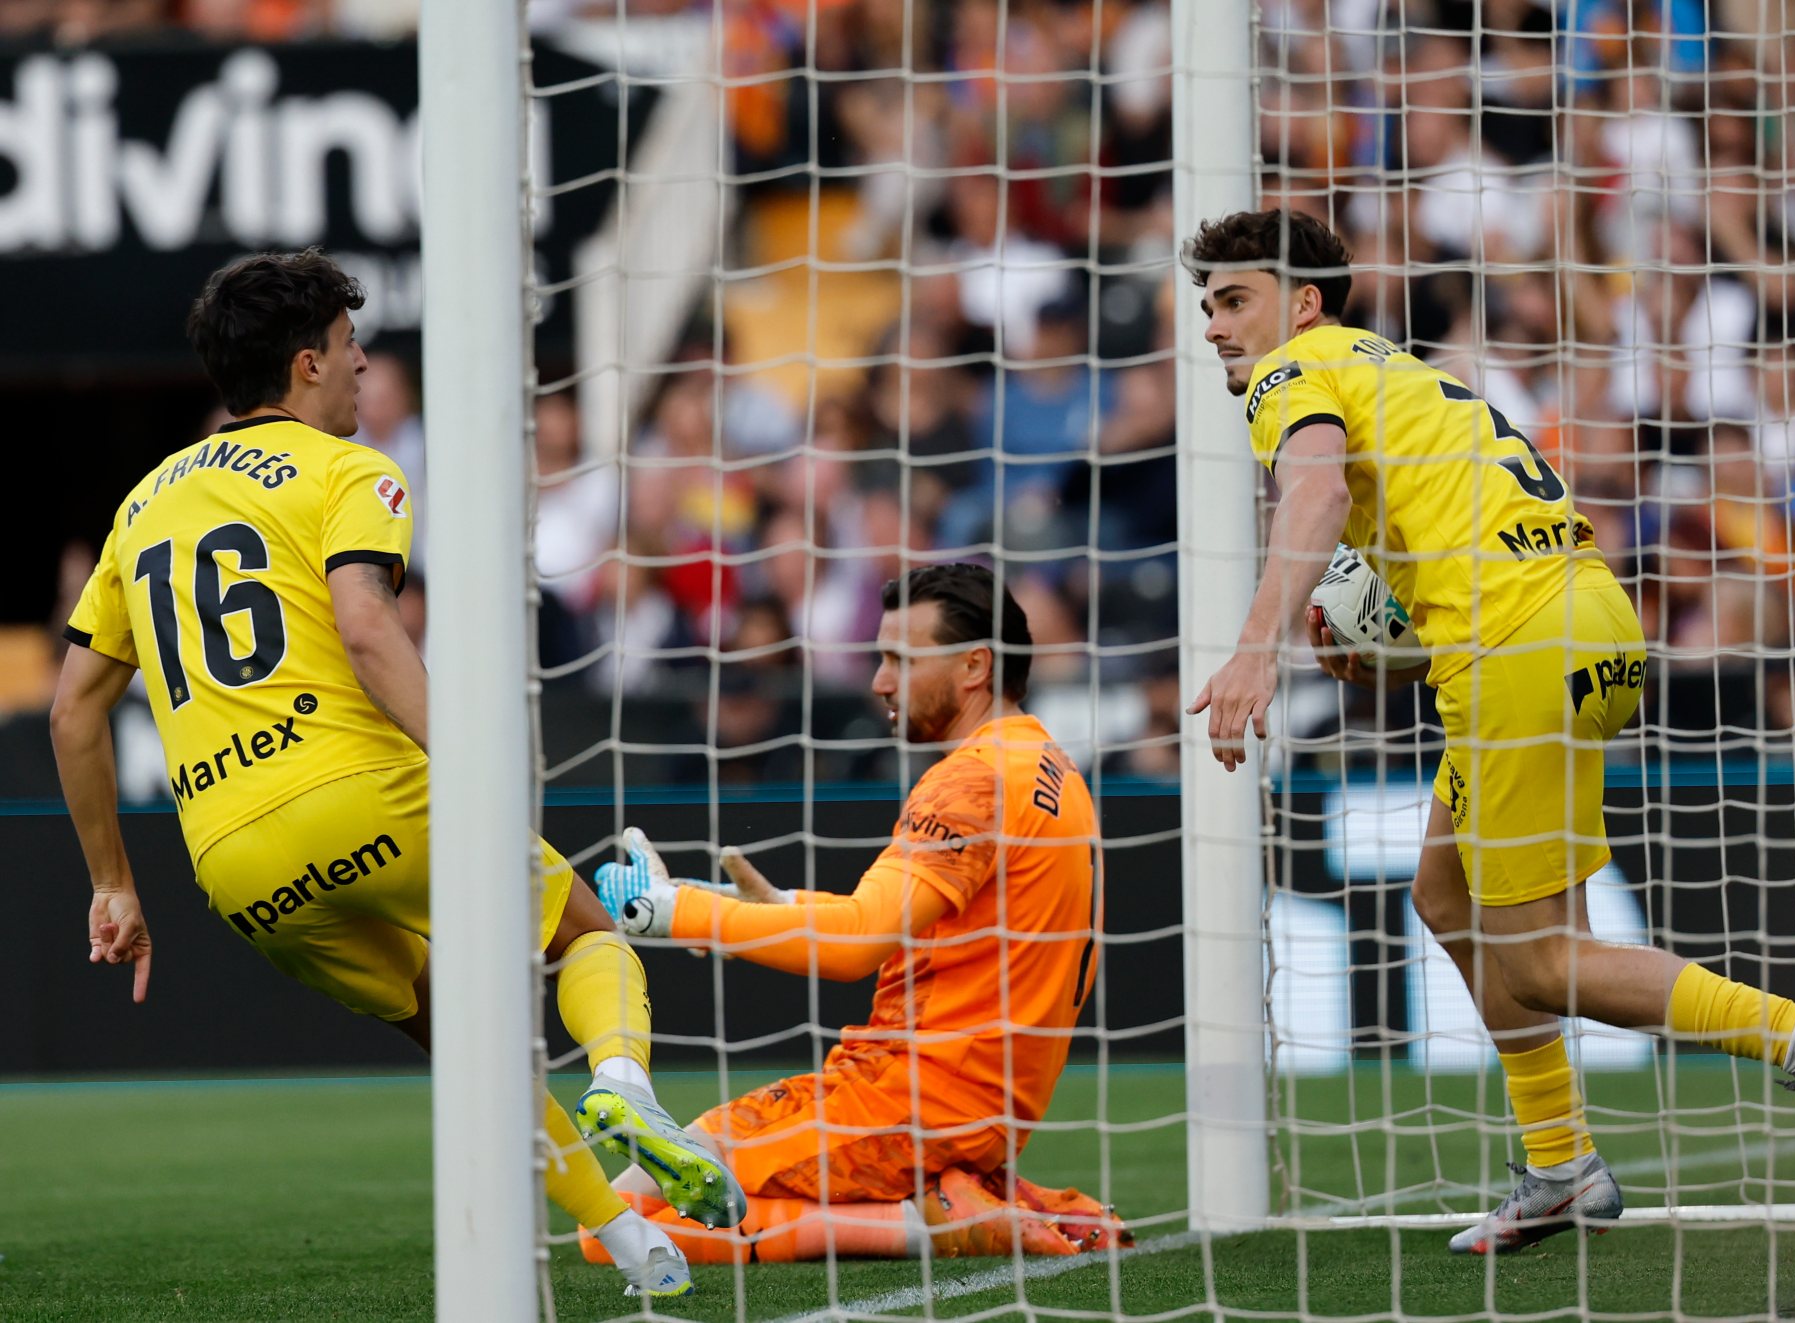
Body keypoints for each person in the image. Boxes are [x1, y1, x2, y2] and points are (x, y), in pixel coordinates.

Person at [1180, 209, 1795, 1254]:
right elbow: (1456, 548)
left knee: (1546, 958)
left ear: (1303, 303)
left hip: (1516, 651)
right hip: (1585, 621)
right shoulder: (1401, 374)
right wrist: (1385, 653)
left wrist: (1254, 647)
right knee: (1444, 891)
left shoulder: (1296, 375)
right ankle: (1559, 1165)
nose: (1216, 329)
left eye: (1234, 302)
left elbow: (1316, 492)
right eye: (1208, 308)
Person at [48, 249, 741, 1298]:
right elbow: (366, 628)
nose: (365, 365)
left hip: (233, 862)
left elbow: (72, 709)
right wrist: (474, 767)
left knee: (464, 1040)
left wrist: (112, 881)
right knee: (584, 931)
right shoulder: (349, 473)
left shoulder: (141, 507)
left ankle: (636, 1245)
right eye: (350, 346)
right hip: (364, 789)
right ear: (305, 363)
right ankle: (626, 1083)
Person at [581, 563, 1128, 1263]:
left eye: (900, 657)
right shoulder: (1048, 764)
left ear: (973, 665)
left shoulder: (972, 779)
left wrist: (676, 914)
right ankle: (952, 1201)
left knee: (616, 1223)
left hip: (905, 1102)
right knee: (649, 1196)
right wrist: (765, 907)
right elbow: (902, 922)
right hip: (966, 1107)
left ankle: (934, 1223)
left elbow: (856, 943)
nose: (879, 680)